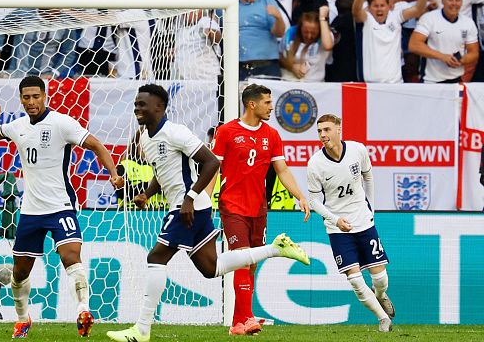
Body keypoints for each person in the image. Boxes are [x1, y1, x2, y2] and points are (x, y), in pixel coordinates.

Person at [106, 84, 309, 342]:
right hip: (195, 206)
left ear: (159, 107)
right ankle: (276, 249)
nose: (137, 108)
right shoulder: (146, 138)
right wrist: (147, 193)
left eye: (142, 104)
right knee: (211, 268)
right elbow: (162, 172)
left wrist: (191, 198)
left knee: (156, 257)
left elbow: (211, 161)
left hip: (187, 206)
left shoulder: (176, 132)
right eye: (136, 104)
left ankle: (141, 330)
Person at [0, 76, 123, 338]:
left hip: (61, 206)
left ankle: (83, 311)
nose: (32, 102)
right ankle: (23, 320)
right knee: (20, 272)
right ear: (21, 98)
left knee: (71, 258)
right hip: (31, 210)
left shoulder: (61, 123)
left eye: (36, 96)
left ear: (45, 96)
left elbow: (96, 145)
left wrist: (113, 174)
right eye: (26, 97)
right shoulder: (18, 125)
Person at [211, 83, 310, 335]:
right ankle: (247, 318)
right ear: (251, 104)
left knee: (251, 263)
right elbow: (212, 168)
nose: (271, 107)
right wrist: (201, 199)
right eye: (267, 102)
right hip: (232, 206)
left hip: (258, 209)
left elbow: (282, 169)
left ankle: (237, 323)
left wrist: (300, 196)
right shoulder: (226, 132)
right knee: (243, 258)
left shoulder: (272, 135)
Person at [306, 114, 395, 332]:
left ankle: (380, 295)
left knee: (380, 278)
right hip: (338, 229)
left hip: (364, 222)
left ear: (339, 130)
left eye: (327, 130)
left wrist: (371, 209)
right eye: (319, 131)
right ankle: (383, 319)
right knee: (355, 280)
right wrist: (335, 220)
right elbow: (313, 201)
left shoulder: (357, 150)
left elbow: (368, 177)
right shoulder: (315, 164)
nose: (323, 135)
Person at [353, 0, 431, 83]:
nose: (379, 9)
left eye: (382, 5)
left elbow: (418, 10)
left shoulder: (395, 16)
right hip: (371, 85)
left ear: (388, 6)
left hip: (395, 83)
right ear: (369, 8)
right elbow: (356, 11)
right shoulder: (367, 19)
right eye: (375, 6)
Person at [409, 0, 479, 83]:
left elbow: (474, 52)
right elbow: (413, 45)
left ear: (462, 2)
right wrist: (442, 57)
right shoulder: (429, 18)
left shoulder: (468, 22)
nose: (454, 3)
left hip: (456, 80)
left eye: (458, 0)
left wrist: (462, 60)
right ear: (442, 0)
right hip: (430, 80)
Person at [236, 0, 285, 80]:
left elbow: (279, 33)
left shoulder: (268, 1)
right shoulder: (229, 3)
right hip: (238, 65)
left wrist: (278, 18)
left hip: (267, 64)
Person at [279, 7, 334, 82]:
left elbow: (328, 46)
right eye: (305, 32)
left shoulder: (325, 36)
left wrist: (322, 18)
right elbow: (280, 57)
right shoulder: (290, 34)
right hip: (291, 84)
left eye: (313, 33)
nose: (309, 36)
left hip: (315, 85)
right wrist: (291, 66)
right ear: (300, 28)